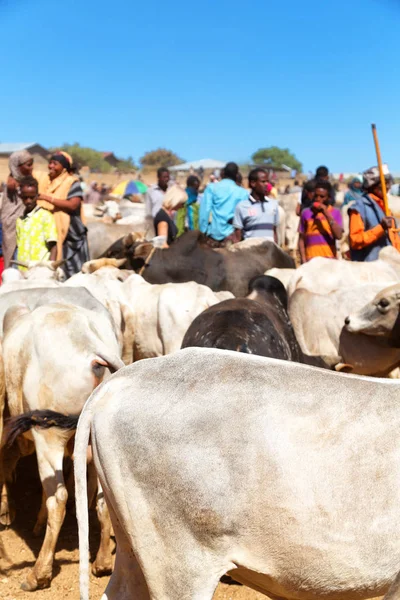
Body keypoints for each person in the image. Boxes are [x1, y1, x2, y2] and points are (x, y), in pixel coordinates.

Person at [36, 151, 89, 278]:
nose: (51, 166)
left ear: (64, 167)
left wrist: (47, 198)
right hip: (50, 228)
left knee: (72, 269)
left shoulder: (72, 182)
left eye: (55, 163)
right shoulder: (44, 179)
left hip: (70, 232)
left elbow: (73, 205)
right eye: (50, 163)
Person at [348, 165, 400, 262]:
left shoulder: (386, 209)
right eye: (384, 183)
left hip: (389, 268)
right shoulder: (359, 208)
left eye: (388, 183)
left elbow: (395, 239)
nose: (387, 187)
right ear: (371, 185)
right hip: (369, 271)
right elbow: (355, 241)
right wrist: (381, 228)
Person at [199, 162, 248, 247]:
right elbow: (244, 217)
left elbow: (205, 212)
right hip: (233, 237)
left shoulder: (212, 188)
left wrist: (203, 232)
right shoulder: (243, 193)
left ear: (223, 173)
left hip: (213, 235)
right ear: (236, 175)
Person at [1, 150, 34, 268]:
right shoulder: (11, 185)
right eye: (28, 165)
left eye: (32, 163)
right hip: (11, 229)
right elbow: (9, 213)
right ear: (17, 166)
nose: (31, 168)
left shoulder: (29, 181)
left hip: (26, 229)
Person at [16, 177, 58, 267]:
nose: (28, 201)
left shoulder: (45, 217)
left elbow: (53, 245)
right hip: (23, 270)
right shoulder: (20, 220)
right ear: (20, 197)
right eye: (25, 198)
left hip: (40, 270)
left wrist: (50, 267)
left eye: (32, 197)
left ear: (37, 196)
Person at [298, 180, 343, 263]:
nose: (318, 199)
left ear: (328, 198)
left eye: (322, 197)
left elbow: (339, 235)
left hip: (329, 261)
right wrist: (303, 259)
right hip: (311, 262)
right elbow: (301, 239)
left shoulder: (335, 213)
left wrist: (326, 213)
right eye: (316, 196)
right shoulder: (306, 213)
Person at [233, 168, 279, 243]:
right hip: (250, 253)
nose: (267, 184)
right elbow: (237, 237)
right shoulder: (241, 207)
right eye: (263, 181)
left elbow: (274, 232)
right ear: (253, 183)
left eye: (267, 181)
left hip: (269, 253)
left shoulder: (273, 204)